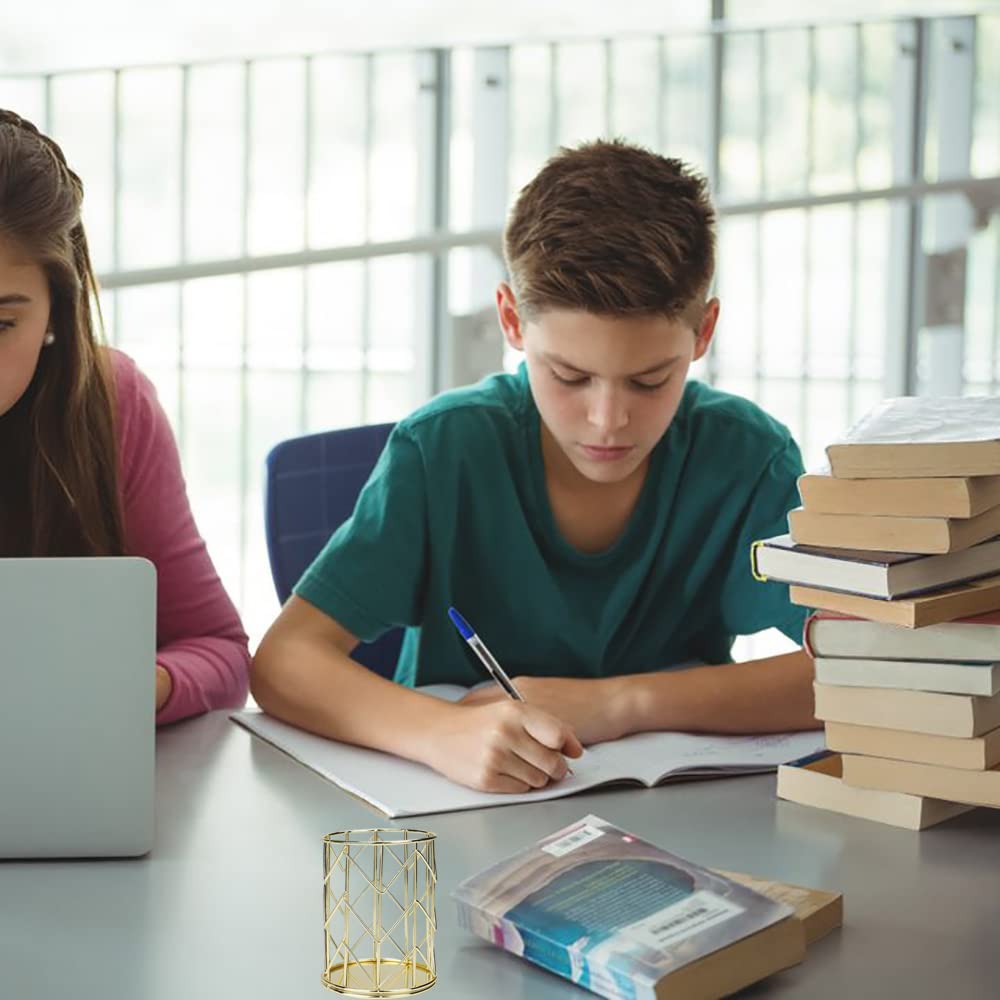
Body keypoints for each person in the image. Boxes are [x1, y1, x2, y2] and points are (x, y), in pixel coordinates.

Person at [251, 139, 818, 793]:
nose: (609, 420)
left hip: (678, 820)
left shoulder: (747, 457)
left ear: (704, 332)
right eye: (570, 375)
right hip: (464, 810)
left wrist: (622, 703)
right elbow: (283, 661)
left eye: (650, 380)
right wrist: (440, 733)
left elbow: (875, 665)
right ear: (512, 320)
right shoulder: (444, 450)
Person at [0, 109, 249, 724]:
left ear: (58, 313)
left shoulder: (109, 405)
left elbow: (221, 653)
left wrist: (139, 685)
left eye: (1, 324)